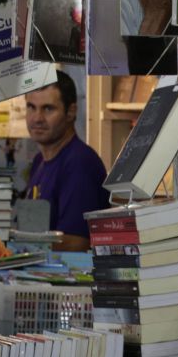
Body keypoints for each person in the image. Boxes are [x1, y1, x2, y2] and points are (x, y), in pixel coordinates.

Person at [25, 72, 108, 250]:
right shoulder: (40, 161)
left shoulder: (79, 163)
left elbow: (78, 242)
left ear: (71, 112)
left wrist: (18, 247)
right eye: (31, 107)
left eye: (48, 109)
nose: (37, 118)